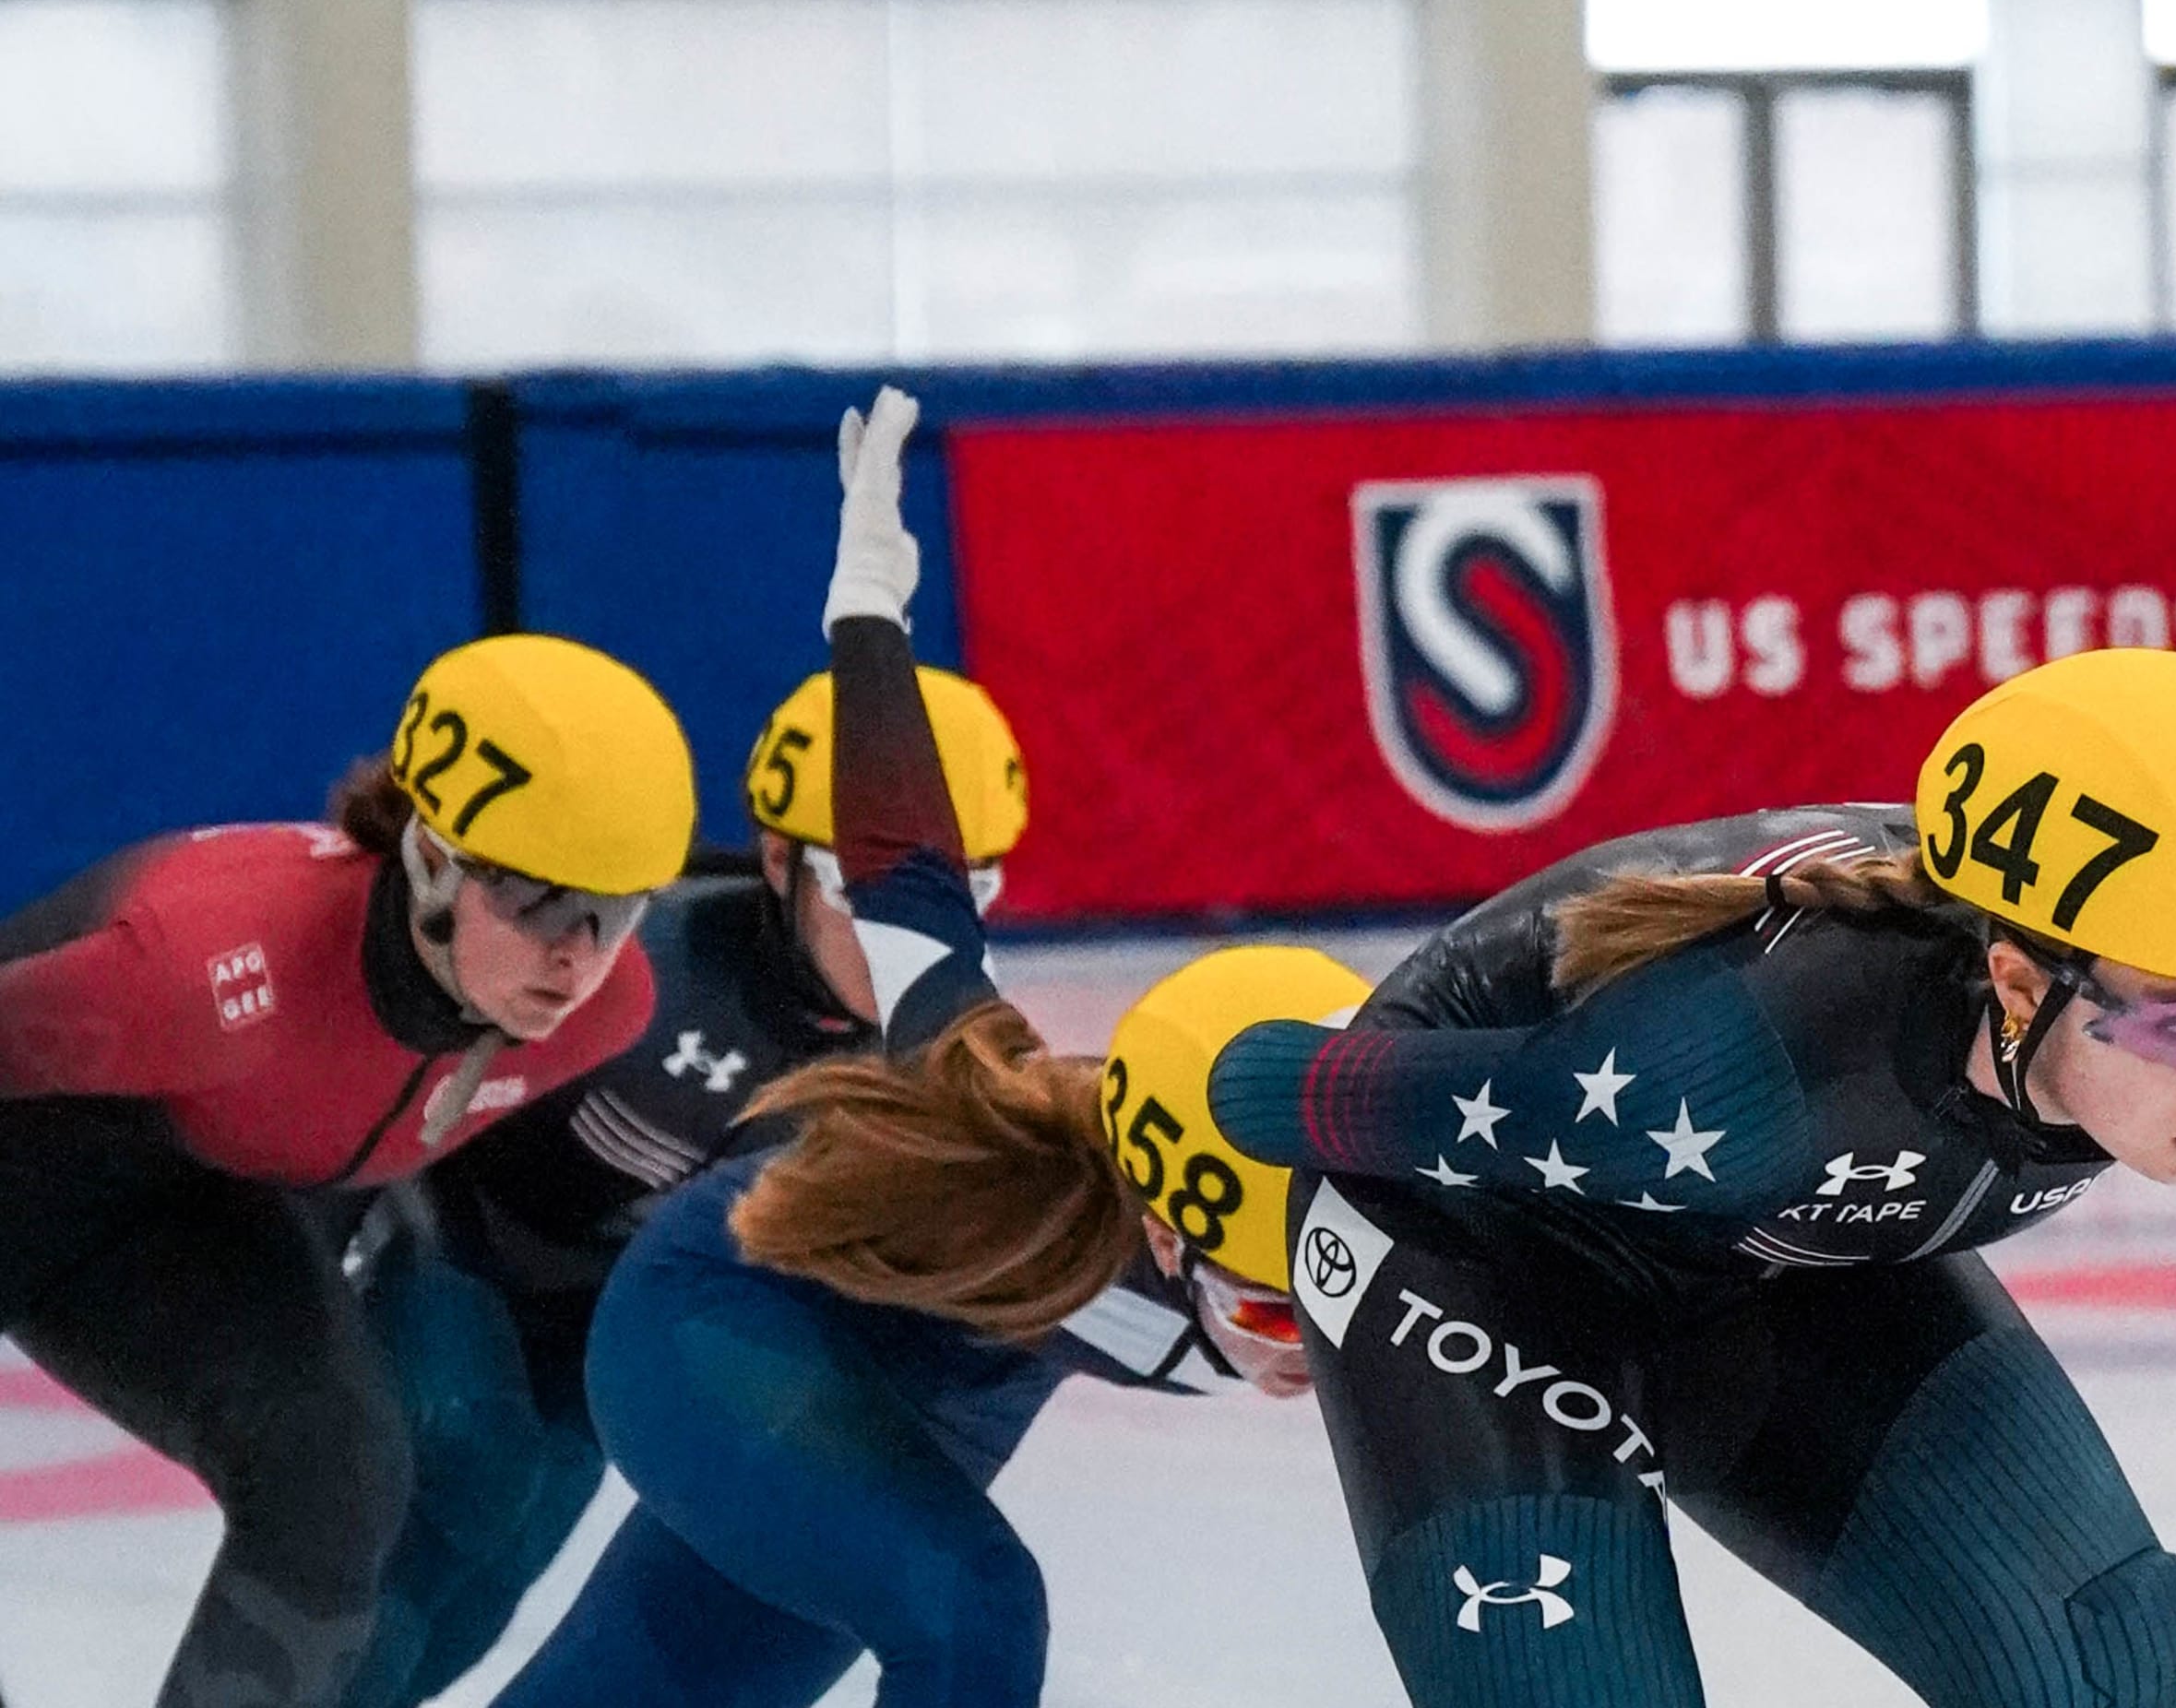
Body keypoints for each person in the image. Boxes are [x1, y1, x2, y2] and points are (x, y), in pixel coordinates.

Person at [1206, 644, 2176, 1708]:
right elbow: (1267, 1088)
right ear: (2018, 984)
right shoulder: (1729, 1071)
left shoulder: (2042, 1019)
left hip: (1773, 1242)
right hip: (1478, 1240)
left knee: (2113, 1669)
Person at [489, 387, 1338, 1708]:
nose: (1305, 1362)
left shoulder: (1390, 1240)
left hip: (931, 1406)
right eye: (1276, 1311)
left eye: (1334, 1305)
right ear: (1168, 1236)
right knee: (977, 1612)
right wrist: (868, 613)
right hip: (730, 1311)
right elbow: (902, 871)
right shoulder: (993, 1100)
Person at [0, 634, 696, 1708]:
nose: (576, 953)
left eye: (617, 909)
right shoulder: (207, 971)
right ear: (428, 855)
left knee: (338, 1478)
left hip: (189, 1208)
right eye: (544, 901)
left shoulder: (606, 1008)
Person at [340, 664, 1032, 1708]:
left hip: (612, 1311)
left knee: (494, 1571)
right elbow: (397, 1069)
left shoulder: (928, 1051)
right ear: (777, 859)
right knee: (475, 1465)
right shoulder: (640, 956)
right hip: (461, 1235)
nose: (910, 940)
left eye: (960, 894)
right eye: (868, 895)